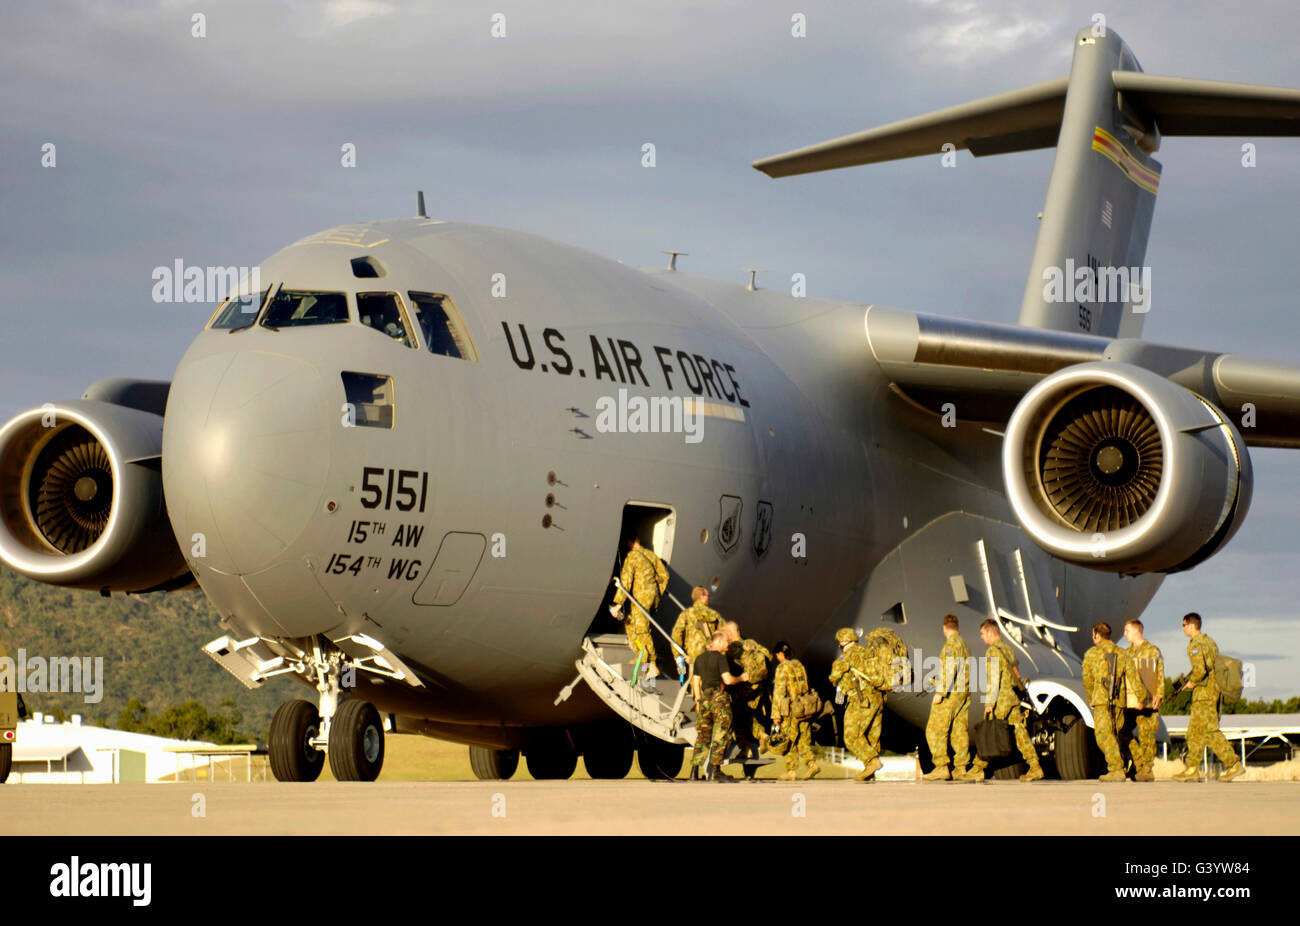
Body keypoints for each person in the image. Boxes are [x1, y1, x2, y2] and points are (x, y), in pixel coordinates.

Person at [957, 619, 1044, 782]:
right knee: (1020, 732)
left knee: (989, 731)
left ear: (990, 632)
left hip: (1001, 699)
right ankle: (1035, 766)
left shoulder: (992, 651)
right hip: (1012, 696)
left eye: (983, 634)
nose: (982, 637)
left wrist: (989, 702)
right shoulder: (1008, 649)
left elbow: (993, 679)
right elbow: (1017, 673)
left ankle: (978, 768)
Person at [1173, 613, 1246, 782]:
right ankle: (1192, 768)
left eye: (1183, 625)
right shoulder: (1210, 642)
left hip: (1204, 694)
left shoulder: (1195, 645)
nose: (1183, 628)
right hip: (1212, 691)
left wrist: (1190, 683)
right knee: (1194, 732)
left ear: (1191, 626)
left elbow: (1200, 670)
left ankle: (1233, 764)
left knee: (1210, 731)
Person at [610, 535, 668, 689]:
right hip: (648, 600)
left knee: (641, 630)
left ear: (630, 542)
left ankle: (650, 663)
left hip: (639, 600)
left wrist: (618, 604)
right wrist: (656, 593)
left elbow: (626, 581)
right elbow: (664, 576)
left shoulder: (632, 557)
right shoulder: (651, 555)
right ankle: (642, 657)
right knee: (632, 626)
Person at [828, 627, 884, 781]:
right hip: (878, 698)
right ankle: (870, 772)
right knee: (871, 737)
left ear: (843, 642)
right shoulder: (869, 653)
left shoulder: (846, 657)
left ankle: (872, 762)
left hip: (860, 699)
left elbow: (833, 677)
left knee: (851, 736)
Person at [1081, 621, 1134, 781]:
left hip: (1102, 700)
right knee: (1116, 735)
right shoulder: (1122, 653)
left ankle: (1116, 769)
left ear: (1096, 635)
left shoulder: (1092, 654)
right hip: (1119, 701)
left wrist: (1090, 698)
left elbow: (1087, 679)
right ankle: (1135, 763)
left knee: (1103, 735)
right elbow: (1132, 677)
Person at [690, 631, 745, 780]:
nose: (728, 645)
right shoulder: (721, 659)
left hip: (704, 700)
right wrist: (741, 678)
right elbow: (727, 680)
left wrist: (698, 701)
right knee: (721, 734)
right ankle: (715, 771)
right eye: (726, 642)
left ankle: (693, 773)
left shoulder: (699, 659)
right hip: (719, 698)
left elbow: (696, 682)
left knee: (702, 736)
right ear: (719, 642)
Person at [922, 614, 970, 781]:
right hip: (962, 694)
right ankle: (961, 768)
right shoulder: (963, 644)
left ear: (944, 628)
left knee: (934, 730)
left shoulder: (951, 644)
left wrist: (940, 692)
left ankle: (941, 766)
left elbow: (950, 668)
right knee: (958, 731)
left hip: (950, 694)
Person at [771, 641, 820, 780]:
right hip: (804, 709)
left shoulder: (782, 668)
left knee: (789, 741)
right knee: (803, 740)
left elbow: (779, 693)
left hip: (791, 710)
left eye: (777, 655)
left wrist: (776, 715)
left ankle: (791, 771)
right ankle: (812, 764)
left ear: (780, 653)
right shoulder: (799, 665)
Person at [1123, 619, 1163, 782]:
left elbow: (1159, 673)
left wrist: (1159, 694)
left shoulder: (1151, 650)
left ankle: (1147, 770)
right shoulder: (1127, 653)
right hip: (1130, 703)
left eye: (1127, 630)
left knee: (1146, 736)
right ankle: (1138, 763)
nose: (1125, 634)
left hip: (1147, 702)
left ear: (1136, 631)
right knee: (1122, 732)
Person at [670, 586, 723, 665]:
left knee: (695, 677)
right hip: (711, 656)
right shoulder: (713, 614)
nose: (709, 598)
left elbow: (676, 633)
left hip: (693, 656)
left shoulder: (687, 613)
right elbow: (724, 633)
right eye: (708, 596)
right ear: (702, 597)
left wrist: (678, 655)